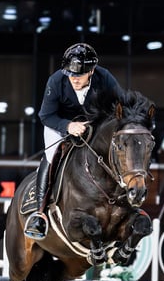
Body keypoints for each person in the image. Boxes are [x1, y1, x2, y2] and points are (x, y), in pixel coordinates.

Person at [23, 42, 123, 240]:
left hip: (93, 125)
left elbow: (119, 107)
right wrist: (69, 126)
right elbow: (46, 115)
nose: (74, 79)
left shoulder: (105, 79)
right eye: (71, 74)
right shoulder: (56, 80)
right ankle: (39, 213)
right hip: (59, 124)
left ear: (92, 71)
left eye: (80, 74)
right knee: (52, 156)